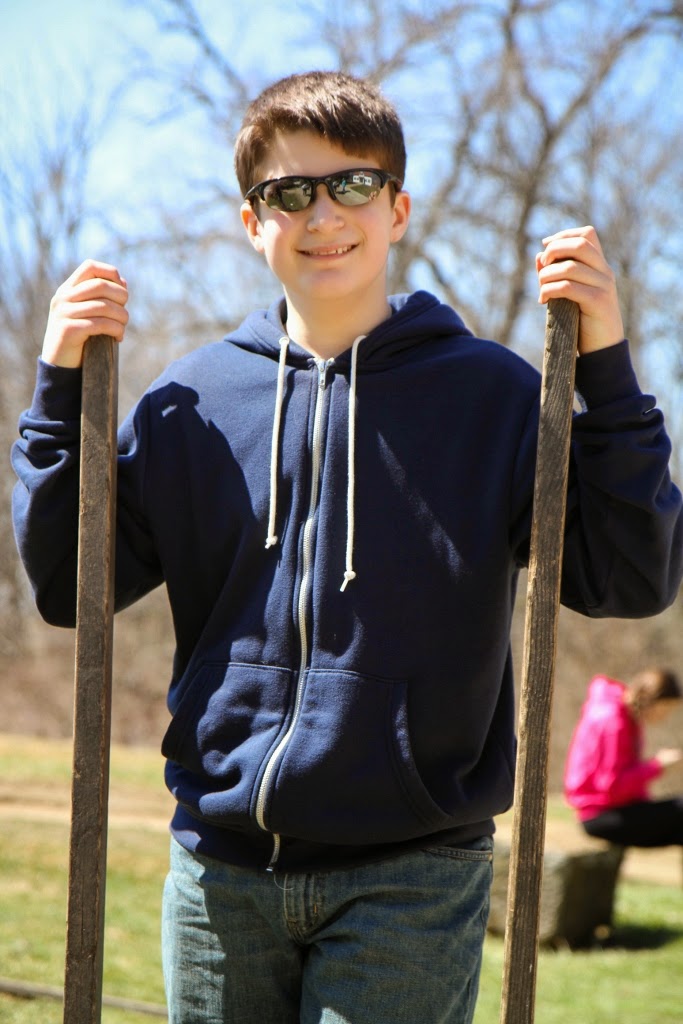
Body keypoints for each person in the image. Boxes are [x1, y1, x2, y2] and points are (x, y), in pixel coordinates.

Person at [11, 69, 683, 1024]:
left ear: (397, 208)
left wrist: (606, 370)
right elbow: (66, 588)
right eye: (288, 192)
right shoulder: (191, 403)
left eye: (353, 184)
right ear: (253, 223)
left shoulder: (492, 397)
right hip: (217, 871)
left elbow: (629, 577)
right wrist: (56, 388)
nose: (322, 214)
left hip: (411, 872)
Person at [564, 668, 683, 847]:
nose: (664, 717)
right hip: (599, 814)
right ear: (651, 700)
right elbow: (611, 785)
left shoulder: (623, 716)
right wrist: (657, 766)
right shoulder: (613, 722)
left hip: (612, 808)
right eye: (665, 709)